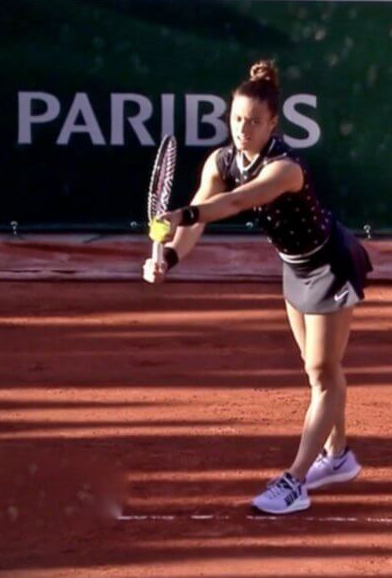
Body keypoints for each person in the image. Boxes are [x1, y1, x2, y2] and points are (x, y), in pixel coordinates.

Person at [143, 60, 372, 515]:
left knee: (325, 373)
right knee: (316, 371)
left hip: (331, 264)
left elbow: (235, 202)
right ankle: (340, 456)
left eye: (253, 122)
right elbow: (200, 212)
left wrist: (183, 216)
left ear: (273, 123)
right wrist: (168, 257)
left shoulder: (285, 168)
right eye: (236, 120)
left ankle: (296, 480)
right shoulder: (222, 160)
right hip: (293, 268)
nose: (243, 129)